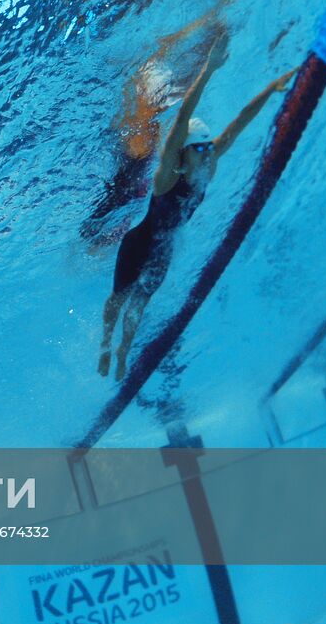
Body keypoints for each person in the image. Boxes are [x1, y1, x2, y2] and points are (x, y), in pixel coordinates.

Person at [98, 29, 296, 378]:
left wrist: (269, 90)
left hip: (163, 250)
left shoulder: (209, 162)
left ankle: (123, 351)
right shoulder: (166, 179)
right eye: (200, 148)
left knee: (140, 305)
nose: (207, 153)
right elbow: (179, 123)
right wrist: (209, 69)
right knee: (118, 299)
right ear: (183, 152)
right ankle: (104, 344)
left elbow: (240, 122)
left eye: (208, 147)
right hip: (138, 243)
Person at [83, 8, 225, 246]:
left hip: (127, 177)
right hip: (128, 180)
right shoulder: (141, 129)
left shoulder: (140, 118)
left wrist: (207, 24)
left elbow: (167, 49)